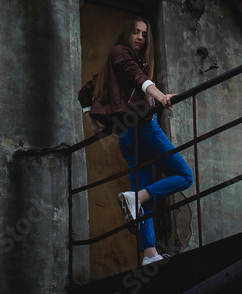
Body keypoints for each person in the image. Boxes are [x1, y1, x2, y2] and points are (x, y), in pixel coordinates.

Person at [78, 15, 193, 267]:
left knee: (143, 200)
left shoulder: (115, 62)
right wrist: (161, 97)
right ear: (126, 34)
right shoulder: (121, 54)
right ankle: (138, 197)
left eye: (144, 33)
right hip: (143, 129)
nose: (140, 37)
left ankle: (149, 255)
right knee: (185, 177)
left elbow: (85, 93)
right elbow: (140, 80)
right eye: (135, 32)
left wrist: (94, 124)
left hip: (127, 138)